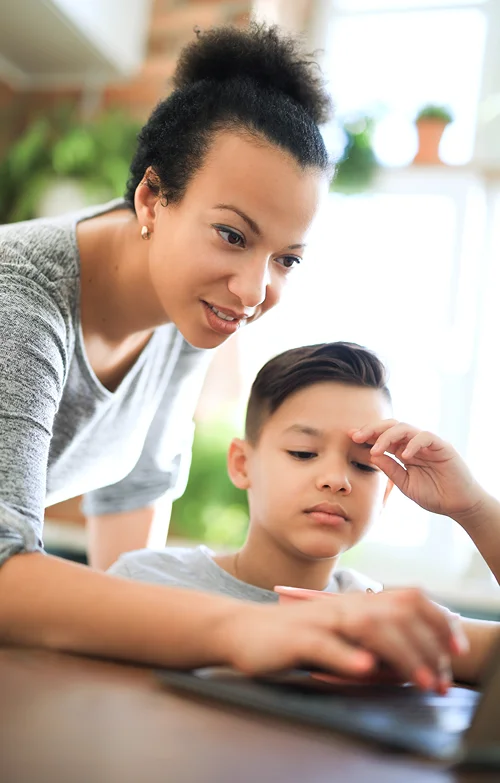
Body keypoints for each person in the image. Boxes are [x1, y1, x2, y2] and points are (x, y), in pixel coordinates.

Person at [0, 24, 462, 680]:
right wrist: (255, 626)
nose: (253, 290)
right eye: (231, 234)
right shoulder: (19, 296)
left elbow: (133, 505)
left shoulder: (187, 309)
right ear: (152, 198)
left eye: (286, 259)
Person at [110, 342, 500, 688]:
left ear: (387, 492)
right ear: (242, 464)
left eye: (364, 465)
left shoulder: (392, 623)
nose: (336, 480)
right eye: (303, 453)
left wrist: (474, 507)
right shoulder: (147, 582)